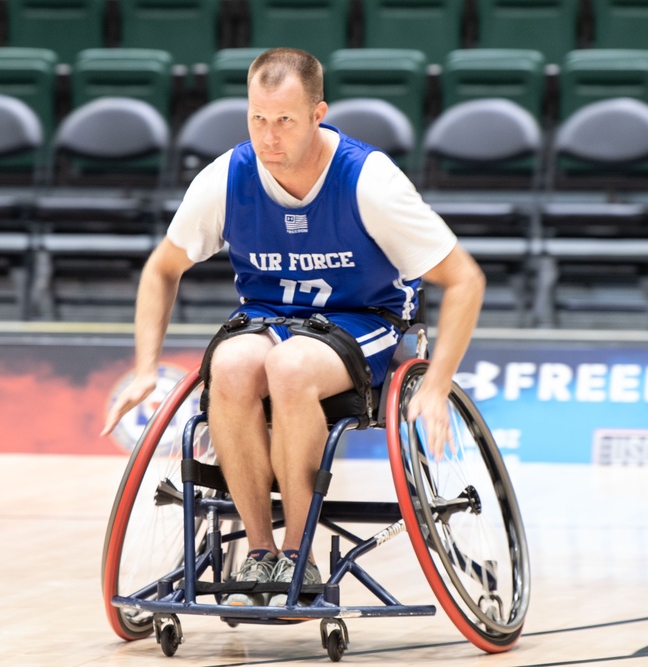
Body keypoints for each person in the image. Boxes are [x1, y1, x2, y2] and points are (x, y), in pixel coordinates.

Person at [102, 48, 485, 607]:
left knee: (290, 366)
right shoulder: (227, 178)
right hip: (268, 319)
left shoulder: (368, 180)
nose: (268, 136)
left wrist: (435, 383)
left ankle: (299, 549)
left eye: (284, 120)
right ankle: (263, 556)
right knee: (229, 365)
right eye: (257, 119)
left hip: (362, 320)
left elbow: (465, 279)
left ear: (317, 114)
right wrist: (142, 368)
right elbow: (161, 269)